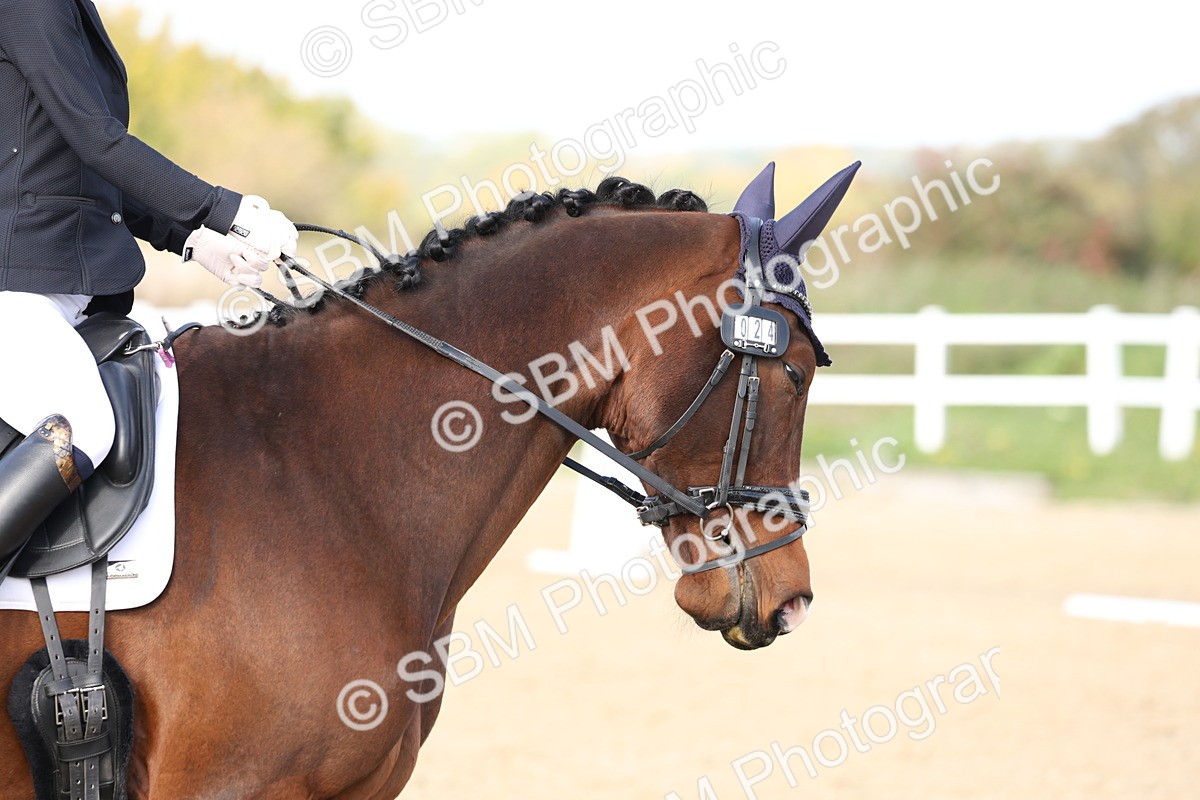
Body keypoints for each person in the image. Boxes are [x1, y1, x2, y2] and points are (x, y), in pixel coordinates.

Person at [0, 0, 297, 582]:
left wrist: (191, 239)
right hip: (16, 282)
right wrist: (227, 211)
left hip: (63, 284)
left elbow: (77, 165)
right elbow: (96, 137)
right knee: (82, 422)